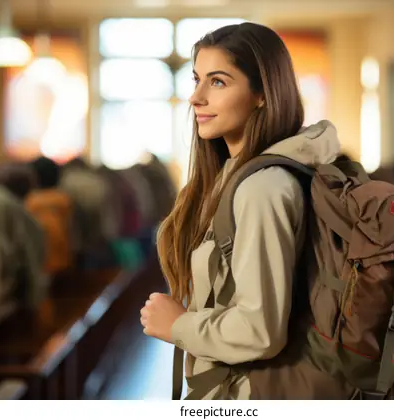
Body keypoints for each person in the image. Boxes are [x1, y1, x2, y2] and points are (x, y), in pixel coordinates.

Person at [139, 22, 340, 399]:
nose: (196, 97)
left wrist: (179, 325)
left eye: (217, 82)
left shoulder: (263, 188)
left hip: (249, 393)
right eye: (196, 79)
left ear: (262, 93)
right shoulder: (240, 175)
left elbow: (259, 328)